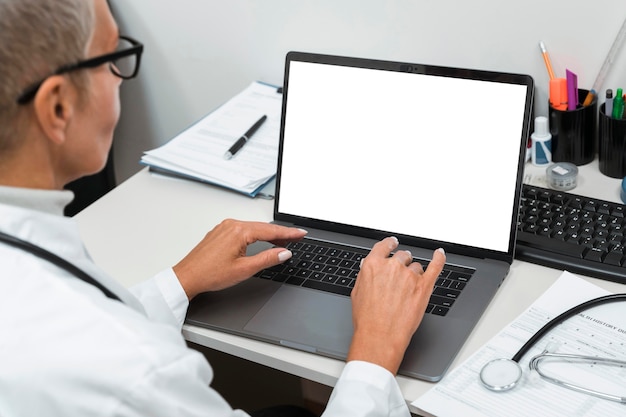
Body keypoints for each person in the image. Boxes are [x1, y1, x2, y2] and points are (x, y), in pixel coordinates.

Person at [0, 0, 446, 416]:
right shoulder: (137, 373)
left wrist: (181, 281)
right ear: (57, 107)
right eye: (110, 58)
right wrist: (374, 352)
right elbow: (104, 350)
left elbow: (86, 336)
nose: (119, 77)